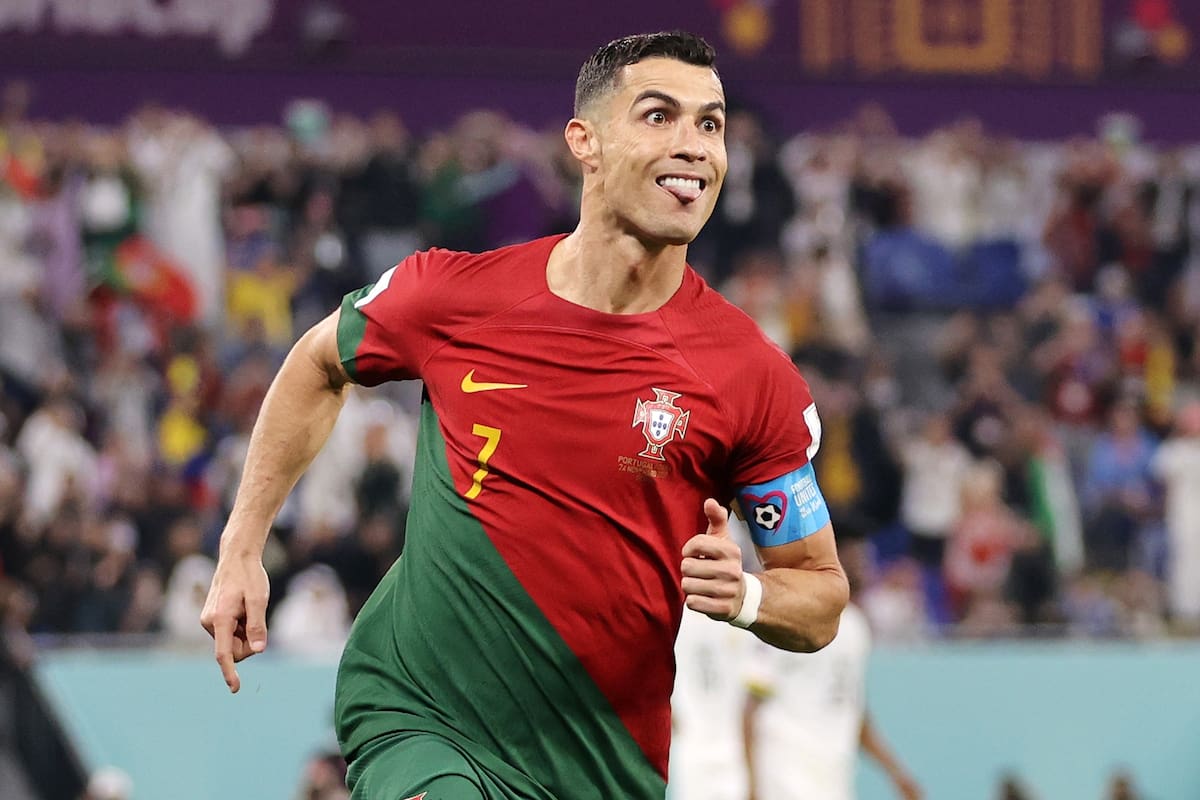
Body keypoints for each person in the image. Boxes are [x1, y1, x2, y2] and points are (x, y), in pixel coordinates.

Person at [202, 31, 848, 800]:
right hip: (420, 713)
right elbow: (317, 361)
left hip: (601, 763)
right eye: (658, 116)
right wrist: (242, 544)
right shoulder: (455, 296)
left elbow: (818, 593)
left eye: (710, 124)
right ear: (586, 141)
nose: (693, 147)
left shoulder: (749, 374)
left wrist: (744, 595)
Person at [743, 545, 922, 800]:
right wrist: (751, 784)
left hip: (834, 771)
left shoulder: (856, 626)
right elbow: (751, 705)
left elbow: (854, 710)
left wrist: (896, 772)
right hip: (785, 766)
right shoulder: (785, 615)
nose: (862, 564)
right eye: (854, 554)